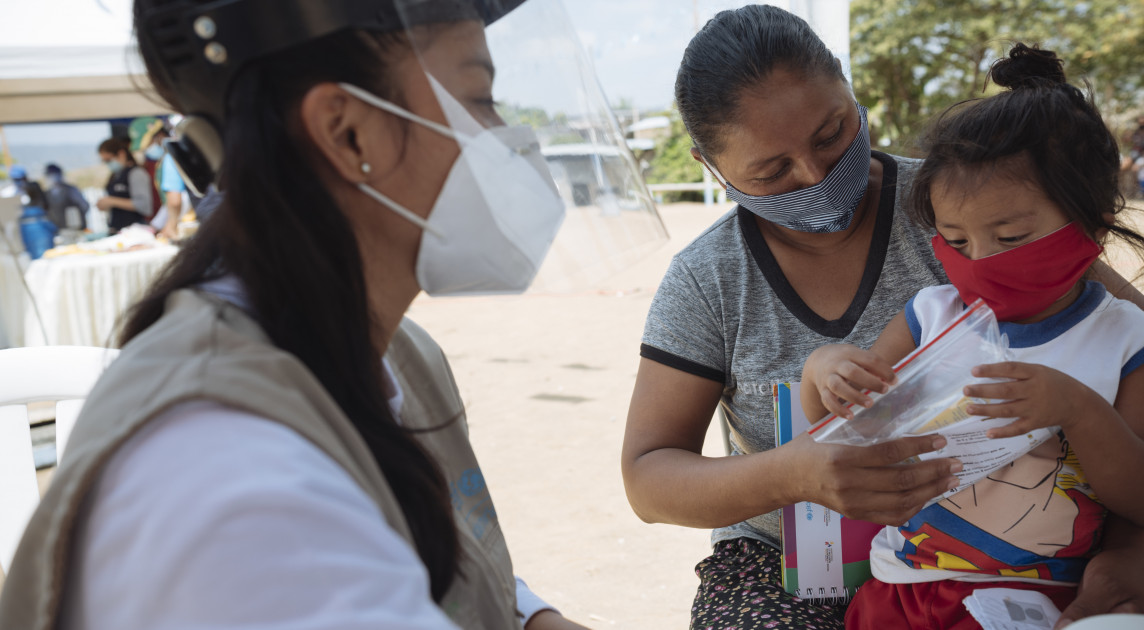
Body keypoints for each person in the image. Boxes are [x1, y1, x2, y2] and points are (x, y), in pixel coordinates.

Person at [0, 0, 663, 628]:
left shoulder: (395, 353)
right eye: (479, 98)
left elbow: (428, 555)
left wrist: (529, 615)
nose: (509, 139)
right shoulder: (229, 478)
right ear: (347, 133)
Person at [620, 6, 1144, 630]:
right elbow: (650, 476)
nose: (815, 175)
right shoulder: (709, 278)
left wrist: (1132, 561)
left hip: (1006, 567)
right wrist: (792, 475)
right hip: (783, 564)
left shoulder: (967, 201)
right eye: (772, 171)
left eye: (830, 134)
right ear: (709, 166)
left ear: (847, 86)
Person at [797, 44, 1144, 629]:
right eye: (956, 241)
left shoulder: (1133, 345)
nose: (978, 261)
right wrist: (823, 372)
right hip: (898, 591)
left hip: (1035, 604)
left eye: (1010, 237)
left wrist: (1079, 411)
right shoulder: (929, 317)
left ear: (1094, 224)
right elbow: (848, 433)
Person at [96, 137, 154, 232]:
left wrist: (112, 201)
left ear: (121, 154)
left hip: (135, 230)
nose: (108, 164)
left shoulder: (136, 173)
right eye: (104, 161)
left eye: (109, 160)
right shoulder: (115, 176)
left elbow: (145, 205)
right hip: (117, 229)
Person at [42, 163, 90, 230]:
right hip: (57, 230)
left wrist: (77, 217)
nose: (53, 177)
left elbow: (84, 206)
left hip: (75, 228)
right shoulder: (46, 194)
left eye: (54, 174)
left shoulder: (71, 190)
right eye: (50, 174)